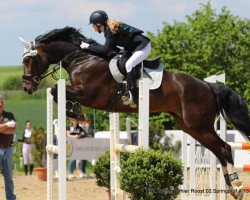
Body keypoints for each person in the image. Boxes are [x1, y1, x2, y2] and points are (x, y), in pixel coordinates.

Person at [80, 10, 151, 106]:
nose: (92, 27)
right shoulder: (108, 30)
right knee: (122, 61)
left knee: (129, 65)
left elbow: (105, 50)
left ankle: (134, 96)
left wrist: (88, 46)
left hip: (143, 47)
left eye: (93, 24)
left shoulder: (109, 30)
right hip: (132, 48)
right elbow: (113, 48)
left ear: (98, 23)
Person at [0, 95, 17, 200]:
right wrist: (8, 125)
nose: (0, 104)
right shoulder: (8, 119)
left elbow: (14, 129)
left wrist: (2, 128)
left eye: (1, 102)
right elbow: (9, 127)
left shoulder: (9, 115)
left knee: (9, 177)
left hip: (8, 149)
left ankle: (10, 198)